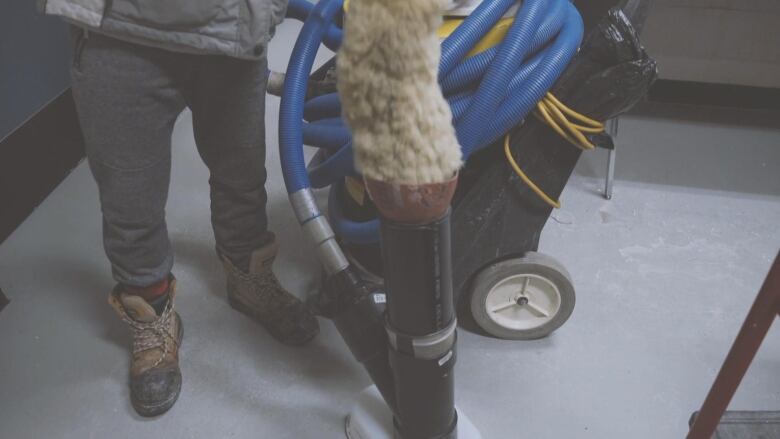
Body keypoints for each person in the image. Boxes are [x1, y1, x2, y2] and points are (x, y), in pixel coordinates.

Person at [38, 0, 319, 417]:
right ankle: (150, 315)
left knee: (241, 176)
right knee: (129, 199)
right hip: (119, 33)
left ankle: (248, 277)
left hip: (231, 30)